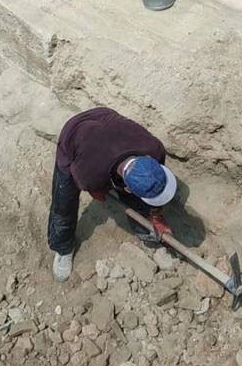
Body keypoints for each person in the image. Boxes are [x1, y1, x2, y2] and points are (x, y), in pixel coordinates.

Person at [48, 107, 178, 282]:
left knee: (144, 191)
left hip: (106, 119)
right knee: (64, 202)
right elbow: (96, 192)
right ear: (127, 188)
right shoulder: (89, 176)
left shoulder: (154, 149)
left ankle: (146, 231)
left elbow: (155, 186)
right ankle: (63, 247)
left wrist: (156, 217)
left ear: (150, 161)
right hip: (74, 134)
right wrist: (100, 191)